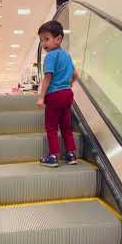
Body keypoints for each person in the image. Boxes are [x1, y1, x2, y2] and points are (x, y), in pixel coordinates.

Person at [37, 20, 80, 167]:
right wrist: (69, 84)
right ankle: (71, 155)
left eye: (46, 39)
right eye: (42, 40)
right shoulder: (66, 56)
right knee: (66, 127)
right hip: (67, 94)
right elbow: (76, 75)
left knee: (52, 127)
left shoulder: (50, 56)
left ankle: (53, 156)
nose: (43, 44)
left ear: (58, 39)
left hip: (54, 96)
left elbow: (48, 77)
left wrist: (41, 97)